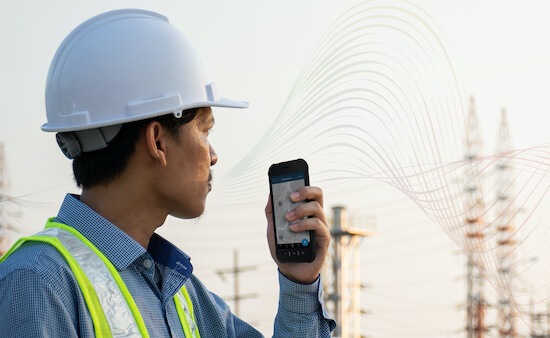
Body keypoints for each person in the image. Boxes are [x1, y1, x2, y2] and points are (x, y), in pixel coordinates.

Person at [0, 9, 335, 337]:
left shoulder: (183, 296)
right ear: (158, 140)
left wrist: (299, 282)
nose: (213, 155)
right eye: (205, 131)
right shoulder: (36, 283)